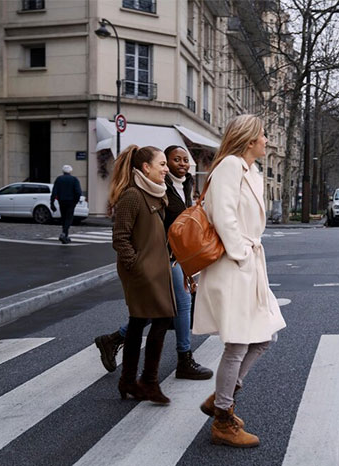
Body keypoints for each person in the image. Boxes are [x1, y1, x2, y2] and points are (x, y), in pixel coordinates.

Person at [194, 114, 286, 448]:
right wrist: (240, 254)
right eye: (263, 135)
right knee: (239, 343)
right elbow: (223, 214)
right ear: (249, 140)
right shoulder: (231, 166)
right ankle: (222, 419)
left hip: (248, 265)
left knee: (263, 336)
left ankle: (221, 398)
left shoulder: (251, 172)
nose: (267, 140)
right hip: (234, 265)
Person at [94, 146, 213, 381]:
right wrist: (138, 266)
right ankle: (182, 360)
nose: (180, 164)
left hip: (173, 255)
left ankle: (115, 340)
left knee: (165, 310)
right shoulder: (156, 188)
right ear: (157, 165)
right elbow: (123, 236)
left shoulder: (187, 183)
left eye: (184, 160)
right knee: (175, 306)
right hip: (157, 258)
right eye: (171, 161)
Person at [108, 144, 175, 404]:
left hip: (157, 270)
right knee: (162, 319)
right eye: (162, 164)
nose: (166, 169)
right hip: (142, 272)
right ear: (145, 168)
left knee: (138, 322)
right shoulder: (133, 196)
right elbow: (120, 238)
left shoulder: (156, 193)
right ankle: (148, 381)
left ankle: (128, 380)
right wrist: (136, 265)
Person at [51, 165, 82, 244]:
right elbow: (78, 192)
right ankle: (64, 234)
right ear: (71, 171)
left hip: (62, 201)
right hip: (71, 201)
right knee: (69, 218)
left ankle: (65, 235)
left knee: (64, 218)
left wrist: (52, 203)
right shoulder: (74, 179)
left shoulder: (59, 179)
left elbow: (54, 191)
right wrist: (76, 201)